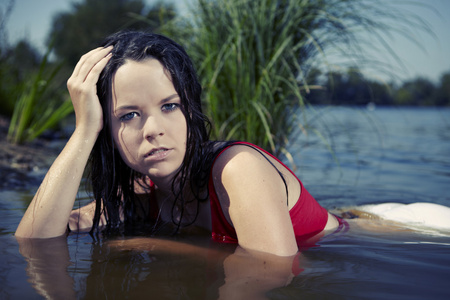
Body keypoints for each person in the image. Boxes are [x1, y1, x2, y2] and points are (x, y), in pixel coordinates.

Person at [15, 30, 342, 257]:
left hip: (361, 232)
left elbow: (274, 272)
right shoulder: (143, 193)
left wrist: (153, 245)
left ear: (191, 112)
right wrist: (84, 130)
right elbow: (34, 242)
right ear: (109, 131)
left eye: (169, 106)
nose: (153, 129)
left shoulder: (238, 170)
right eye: (129, 115)